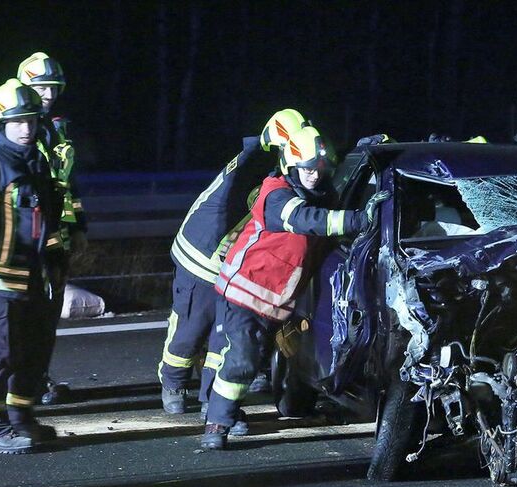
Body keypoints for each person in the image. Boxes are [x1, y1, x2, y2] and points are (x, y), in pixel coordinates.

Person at [202, 126, 388, 450]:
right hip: (244, 294)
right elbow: (307, 220)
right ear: (290, 167)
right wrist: (361, 220)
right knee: (242, 359)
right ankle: (217, 423)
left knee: (253, 357)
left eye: (316, 167)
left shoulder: (321, 190)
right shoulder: (275, 195)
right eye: (305, 168)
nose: (313, 174)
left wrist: (375, 154)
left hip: (277, 301)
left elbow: (334, 198)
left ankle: (226, 408)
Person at [159, 109, 308, 418]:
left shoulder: (269, 168)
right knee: (190, 329)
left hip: (230, 266)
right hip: (200, 258)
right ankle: (173, 384)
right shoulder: (254, 165)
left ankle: (209, 397)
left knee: (221, 338)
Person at [0, 79, 55, 452]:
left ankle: (20, 418)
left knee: (30, 350)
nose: (27, 128)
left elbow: (45, 214)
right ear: (0, 123)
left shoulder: (34, 158)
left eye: (32, 120)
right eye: (18, 121)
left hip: (31, 276)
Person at [17, 51, 85, 405]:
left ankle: (38, 378)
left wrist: (79, 225)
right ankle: (25, 382)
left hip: (56, 236)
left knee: (46, 311)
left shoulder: (57, 128)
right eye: (41, 87)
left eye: (53, 87)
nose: (48, 93)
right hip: (29, 237)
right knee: (26, 313)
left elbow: (68, 185)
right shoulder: (16, 131)